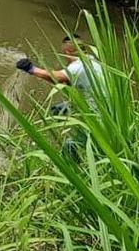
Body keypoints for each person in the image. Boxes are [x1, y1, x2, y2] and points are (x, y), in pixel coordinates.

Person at [15, 34, 106, 162]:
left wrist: (31, 69)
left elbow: (56, 77)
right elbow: (82, 88)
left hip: (98, 119)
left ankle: (74, 174)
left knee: (70, 145)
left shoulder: (78, 66)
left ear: (67, 52)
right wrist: (69, 106)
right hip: (108, 112)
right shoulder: (93, 60)